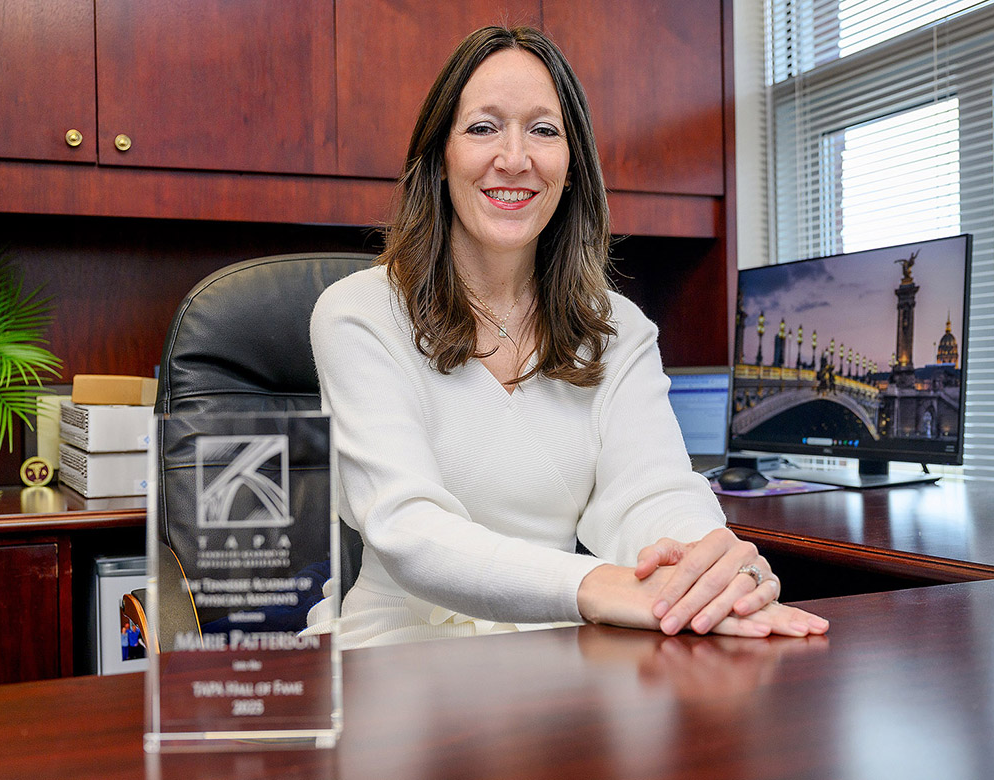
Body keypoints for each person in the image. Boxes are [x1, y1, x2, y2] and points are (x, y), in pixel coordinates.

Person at [309, 25, 828, 648]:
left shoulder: (618, 328)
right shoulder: (357, 313)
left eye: (543, 130)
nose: (515, 157)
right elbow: (411, 532)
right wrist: (597, 586)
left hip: (554, 649)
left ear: (572, 166)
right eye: (482, 128)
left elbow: (653, 494)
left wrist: (710, 575)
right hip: (398, 652)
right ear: (438, 160)